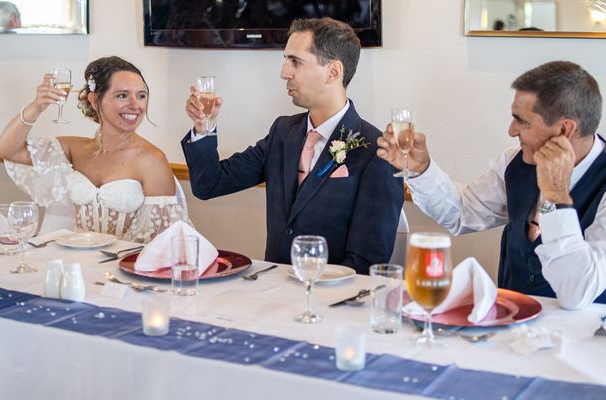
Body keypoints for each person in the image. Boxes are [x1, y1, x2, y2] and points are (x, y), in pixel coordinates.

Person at [377, 61, 606, 308]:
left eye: (522, 121)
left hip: (584, 339)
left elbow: (577, 293)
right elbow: (461, 212)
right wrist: (420, 169)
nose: (511, 130)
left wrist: (555, 195)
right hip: (509, 330)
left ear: (565, 128)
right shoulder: (513, 163)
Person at [182, 18, 404, 274]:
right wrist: (204, 126)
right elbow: (208, 184)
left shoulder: (377, 153)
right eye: (285, 60)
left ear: (333, 72)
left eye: (296, 62)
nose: (284, 72)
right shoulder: (282, 132)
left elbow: (367, 264)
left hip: (332, 302)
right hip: (272, 293)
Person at [0, 56, 190, 242]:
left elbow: (162, 239)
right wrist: (37, 106)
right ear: (94, 100)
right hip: (74, 260)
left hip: (125, 268)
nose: (135, 105)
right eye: (122, 95)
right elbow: (7, 150)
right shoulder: (75, 149)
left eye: (141, 96)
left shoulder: (152, 159)